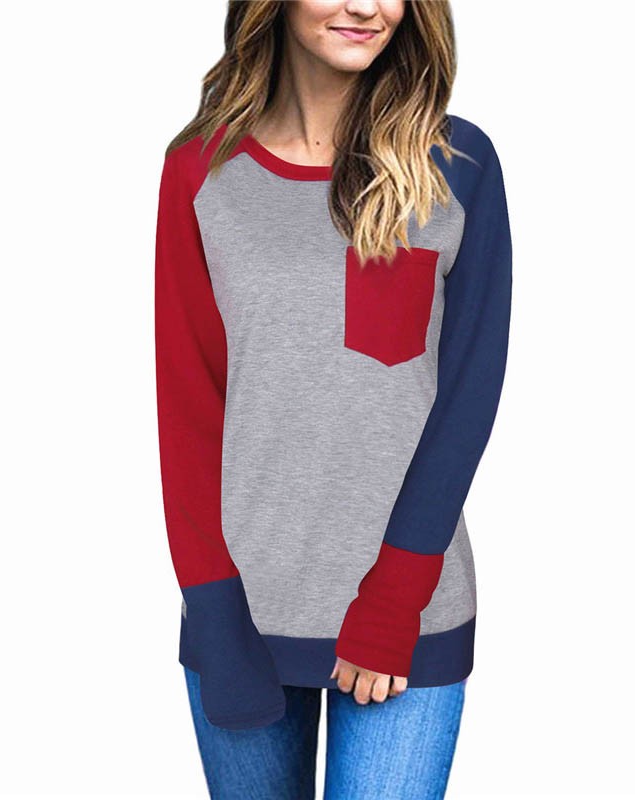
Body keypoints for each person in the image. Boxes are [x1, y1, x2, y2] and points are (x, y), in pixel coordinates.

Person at [154, 1, 512, 797]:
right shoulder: (200, 169)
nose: (364, 6)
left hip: (408, 612)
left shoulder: (456, 165)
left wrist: (393, 599)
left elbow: (467, 397)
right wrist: (212, 605)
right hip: (244, 612)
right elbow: (187, 405)